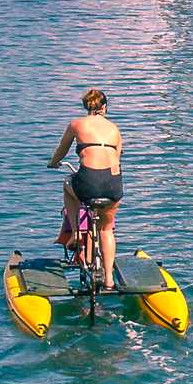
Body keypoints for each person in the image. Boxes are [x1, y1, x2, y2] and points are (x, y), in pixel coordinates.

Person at [48, 88, 122, 290]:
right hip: (113, 185)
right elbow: (118, 156)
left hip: (89, 183)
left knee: (67, 184)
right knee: (107, 229)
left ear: (86, 106)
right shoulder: (114, 129)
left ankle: (76, 234)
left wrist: (52, 163)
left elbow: (61, 151)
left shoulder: (76, 124)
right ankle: (109, 279)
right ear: (104, 107)